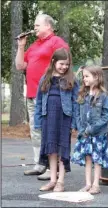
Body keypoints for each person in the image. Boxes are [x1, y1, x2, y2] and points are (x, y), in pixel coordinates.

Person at [15, 14, 69, 179]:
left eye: (38, 25)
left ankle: (53, 168)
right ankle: (40, 163)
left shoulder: (56, 41)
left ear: (48, 26)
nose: (35, 27)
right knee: (36, 129)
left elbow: (65, 63)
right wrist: (21, 46)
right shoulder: (33, 46)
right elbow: (20, 66)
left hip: (49, 93)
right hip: (32, 93)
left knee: (49, 129)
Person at [34, 48, 79, 192]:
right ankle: (52, 180)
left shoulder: (71, 80)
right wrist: (38, 121)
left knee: (62, 149)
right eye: (61, 64)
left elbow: (76, 102)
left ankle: (61, 181)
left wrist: (75, 123)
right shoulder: (45, 78)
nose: (64, 67)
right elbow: (39, 102)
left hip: (64, 118)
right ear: (53, 62)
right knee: (51, 150)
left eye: (67, 64)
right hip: (48, 118)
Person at [71, 66, 108, 194]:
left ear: (96, 77)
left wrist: (91, 129)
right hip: (84, 134)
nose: (84, 79)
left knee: (97, 158)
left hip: (98, 134)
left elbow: (106, 116)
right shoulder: (82, 94)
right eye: (83, 76)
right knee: (88, 158)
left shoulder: (103, 96)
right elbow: (78, 113)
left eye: (87, 76)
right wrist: (80, 129)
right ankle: (88, 184)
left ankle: (96, 184)